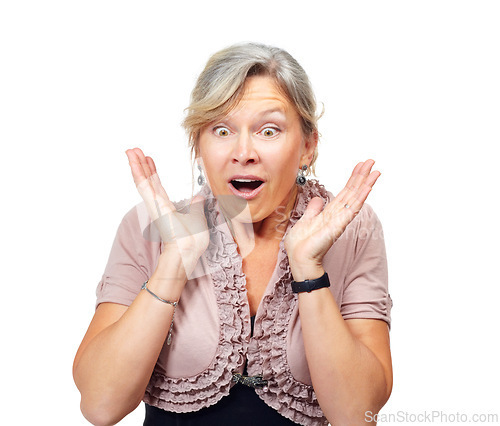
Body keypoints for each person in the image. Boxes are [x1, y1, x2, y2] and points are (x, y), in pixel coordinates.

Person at [73, 42, 393, 426]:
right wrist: (175, 261)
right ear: (198, 145)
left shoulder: (353, 229)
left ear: (308, 146)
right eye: (222, 130)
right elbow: (100, 405)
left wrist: (309, 270)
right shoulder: (150, 228)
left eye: (269, 130)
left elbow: (358, 416)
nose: (244, 152)